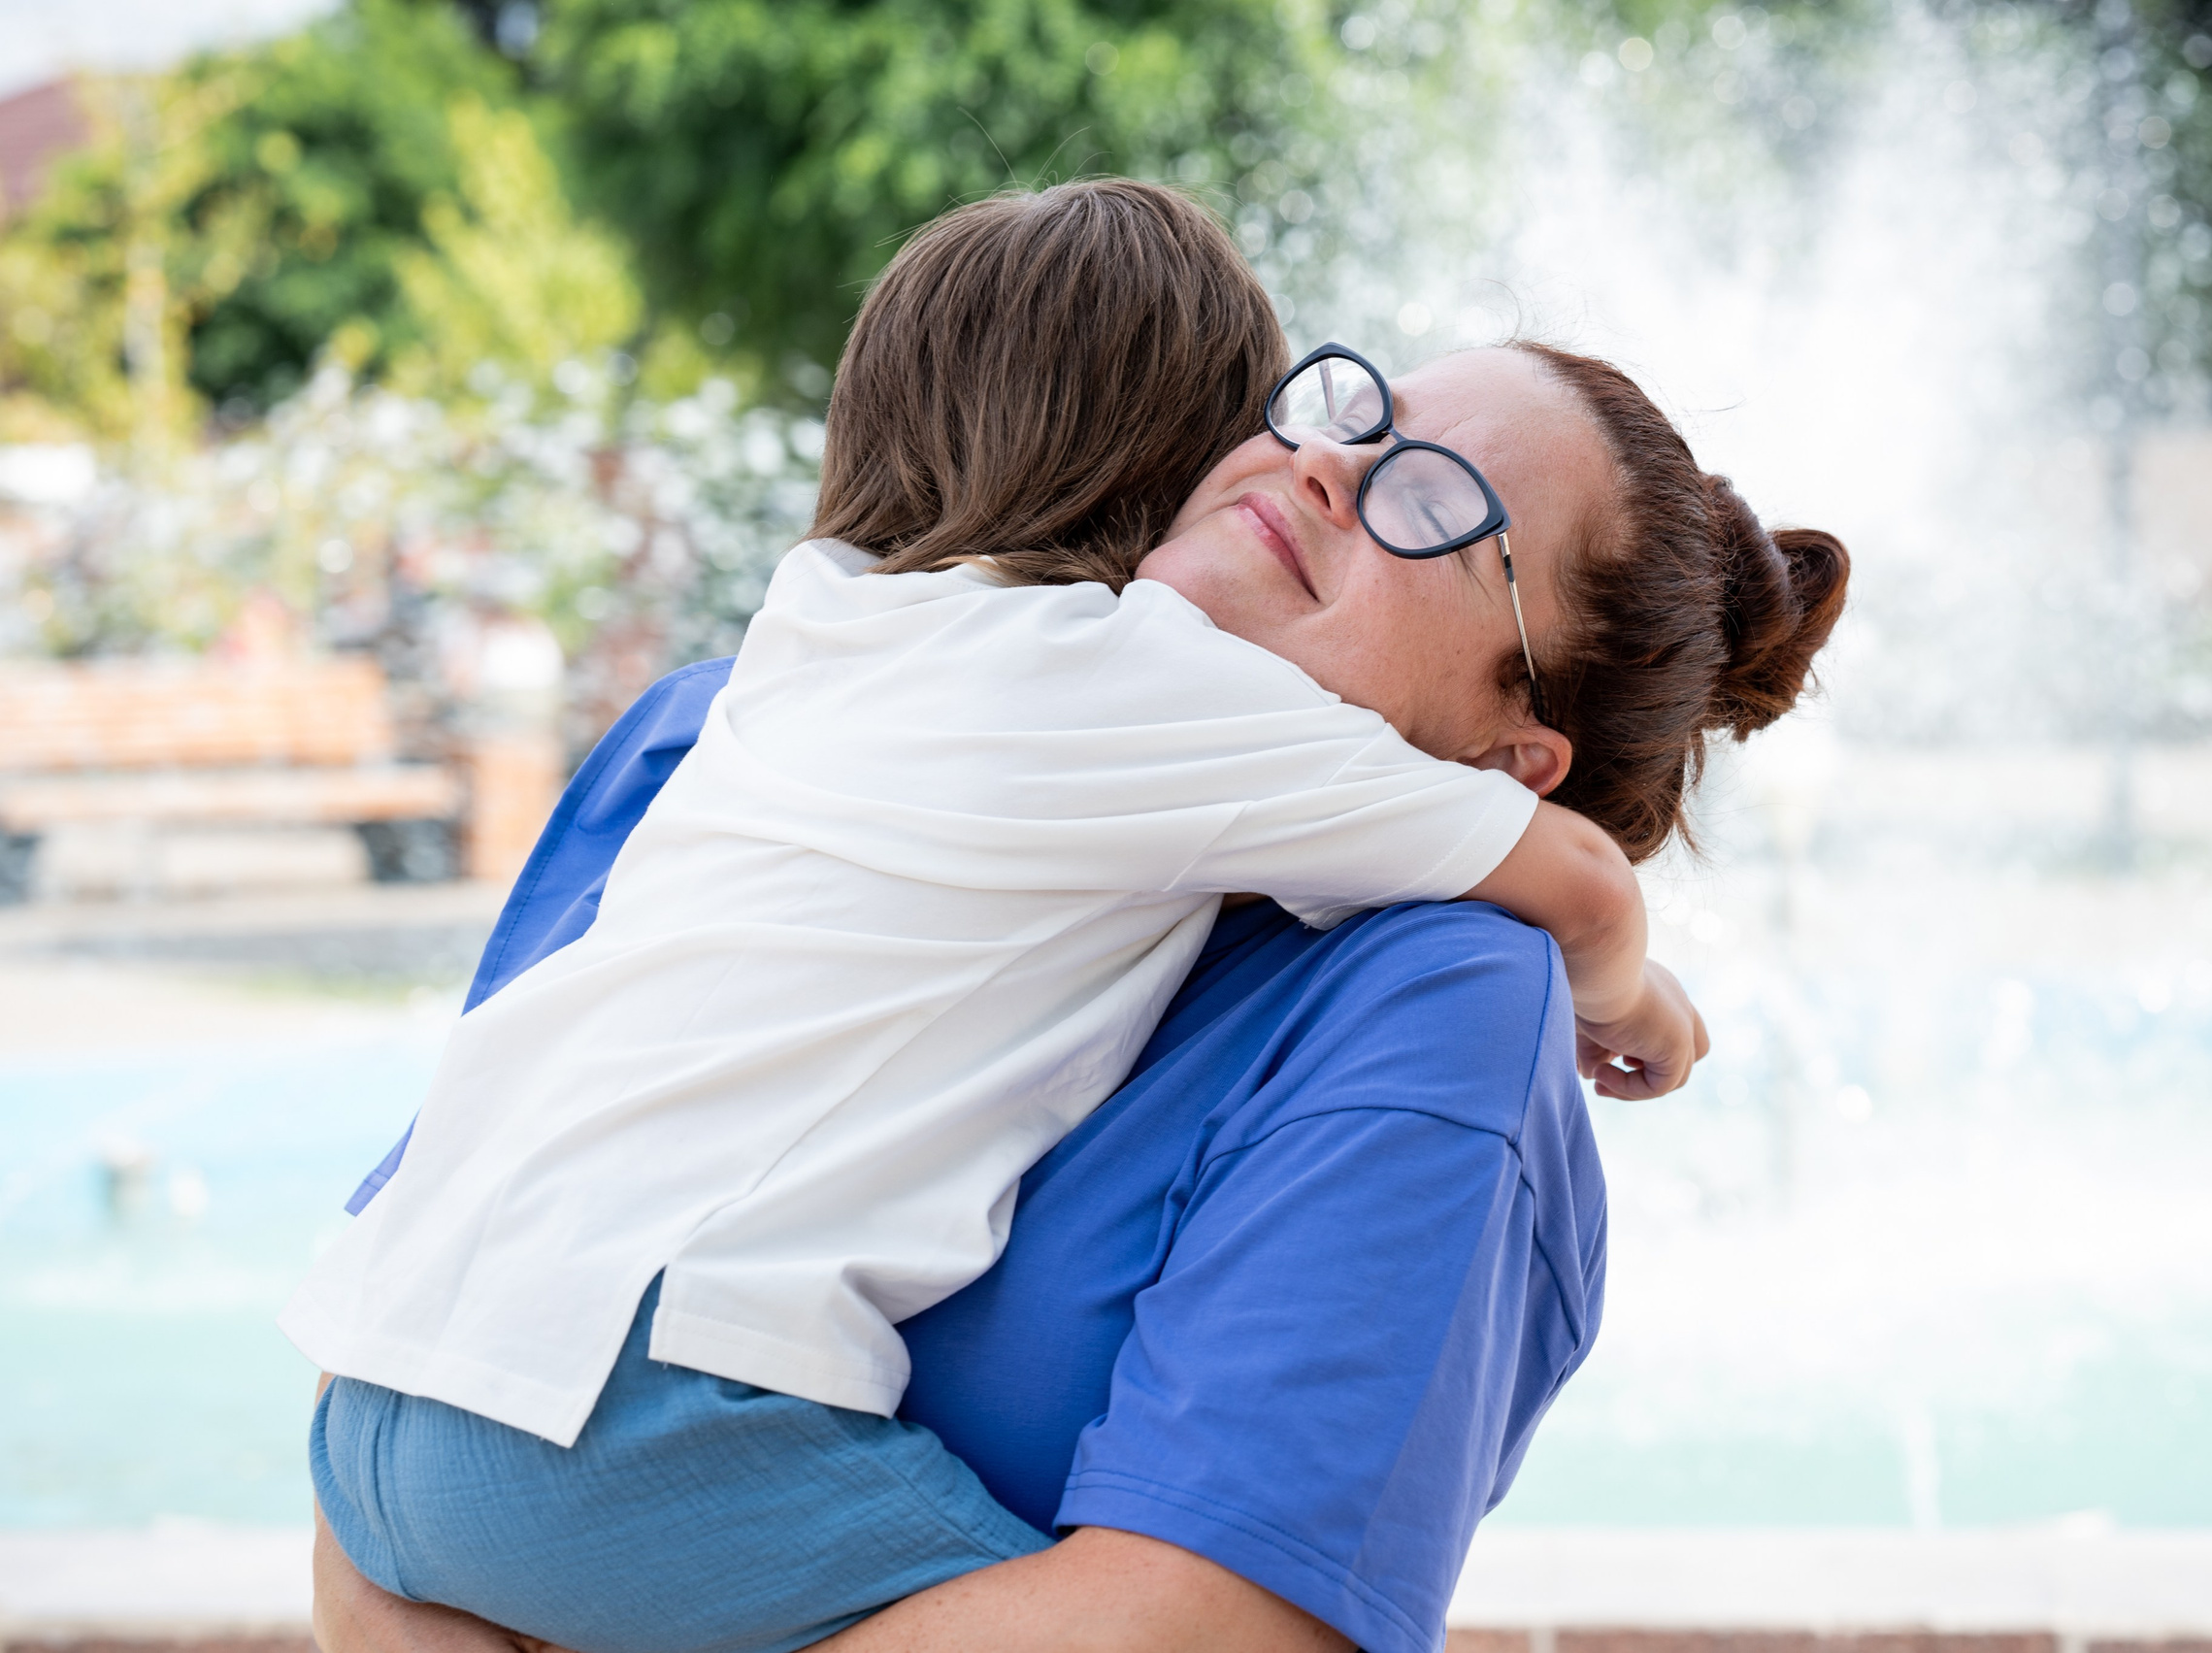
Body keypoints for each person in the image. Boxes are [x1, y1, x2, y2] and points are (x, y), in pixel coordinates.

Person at [284, 181, 1733, 1653]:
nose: (1330, 468)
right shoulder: (740, 722)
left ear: (1511, 757)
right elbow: (1586, 889)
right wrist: (1639, 1000)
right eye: (1343, 407)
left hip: (406, 1426)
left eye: (1436, 502)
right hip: (620, 1420)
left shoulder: (796, 661)